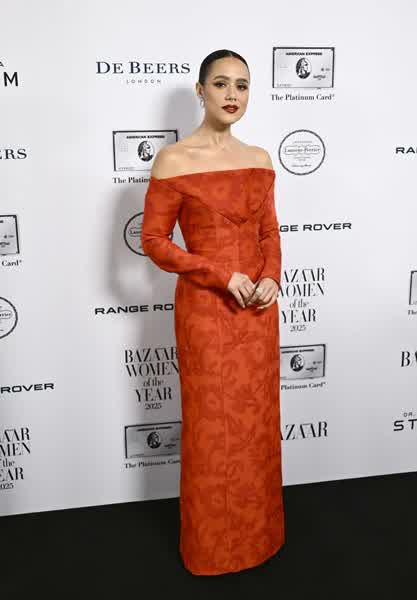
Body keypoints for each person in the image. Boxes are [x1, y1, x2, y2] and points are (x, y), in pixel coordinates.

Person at [141, 49, 284, 576]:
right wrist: (222, 276)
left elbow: (269, 232)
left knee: (258, 425)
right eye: (221, 84)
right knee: (211, 431)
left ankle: (261, 537)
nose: (232, 95)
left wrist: (270, 277)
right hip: (206, 312)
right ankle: (212, 550)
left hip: (258, 312)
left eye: (242, 85)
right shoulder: (174, 160)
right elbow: (154, 240)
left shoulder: (260, 158)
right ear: (200, 91)